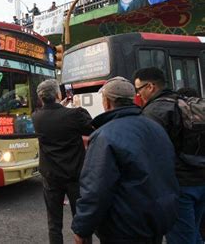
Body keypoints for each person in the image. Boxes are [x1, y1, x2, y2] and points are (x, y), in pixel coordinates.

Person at [72, 77, 180, 244]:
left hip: (124, 228)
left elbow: (96, 189)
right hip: (158, 220)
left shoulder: (105, 135)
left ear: (107, 102)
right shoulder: (155, 127)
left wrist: (82, 228)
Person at [133, 68, 205, 244]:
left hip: (178, 187)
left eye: (139, 89)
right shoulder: (183, 101)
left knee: (182, 238)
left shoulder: (153, 112)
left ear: (150, 86)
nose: (138, 94)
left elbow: (150, 157)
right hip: (200, 179)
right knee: (195, 234)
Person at [31, 79, 93, 244]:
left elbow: (55, 115)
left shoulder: (36, 117)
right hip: (74, 175)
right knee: (82, 219)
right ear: (58, 94)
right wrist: (78, 107)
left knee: (54, 222)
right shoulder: (75, 114)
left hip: (50, 176)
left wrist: (63, 106)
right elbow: (91, 128)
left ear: (41, 98)